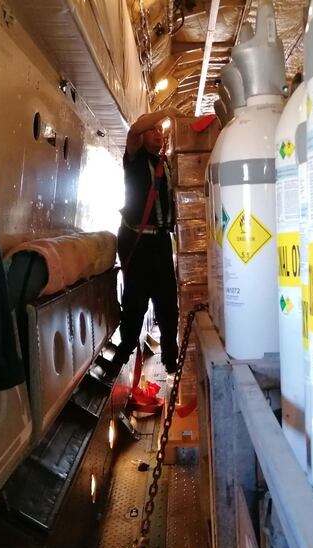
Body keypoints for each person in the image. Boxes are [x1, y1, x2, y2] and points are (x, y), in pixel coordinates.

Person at [111, 108, 184, 375]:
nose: (159, 134)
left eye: (162, 132)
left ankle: (170, 359)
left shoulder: (168, 165)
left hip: (161, 242)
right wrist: (166, 112)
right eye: (154, 130)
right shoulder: (134, 158)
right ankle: (122, 354)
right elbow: (134, 130)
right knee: (135, 304)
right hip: (137, 241)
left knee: (168, 304)